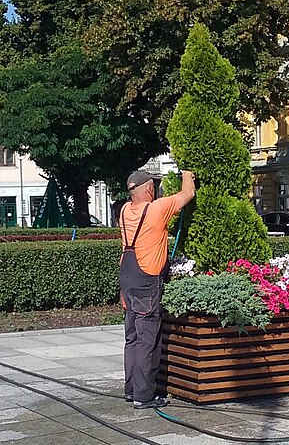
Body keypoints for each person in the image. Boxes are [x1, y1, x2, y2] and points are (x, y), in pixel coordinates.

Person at [119, 169, 195, 409]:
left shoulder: (124, 210)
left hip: (127, 278)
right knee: (147, 339)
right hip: (146, 281)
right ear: (150, 188)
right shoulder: (157, 209)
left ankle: (131, 390)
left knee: (131, 337)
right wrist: (187, 173)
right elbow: (188, 194)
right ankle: (144, 396)